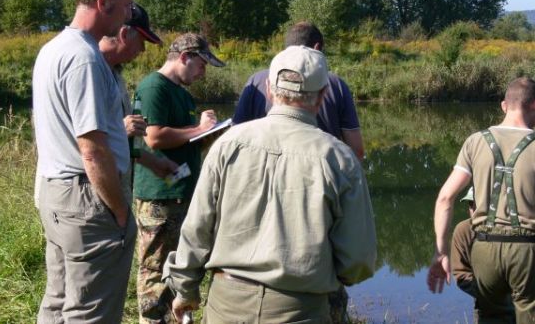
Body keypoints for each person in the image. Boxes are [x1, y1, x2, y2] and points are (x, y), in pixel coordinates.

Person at [164, 45, 377, 323]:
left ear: (268, 89)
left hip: (226, 304)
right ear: (323, 95)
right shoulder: (339, 159)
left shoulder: (227, 144)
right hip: (301, 309)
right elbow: (358, 260)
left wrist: (185, 290)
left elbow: (197, 227)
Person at [32, 0, 137, 322]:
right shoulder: (85, 59)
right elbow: (92, 150)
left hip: (55, 191)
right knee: (91, 311)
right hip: (86, 199)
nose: (128, 15)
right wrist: (119, 211)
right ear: (102, 3)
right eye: (126, 6)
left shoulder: (52, 50)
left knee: (58, 301)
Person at [133, 32, 226, 324]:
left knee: (179, 267)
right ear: (185, 57)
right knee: (154, 269)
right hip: (159, 198)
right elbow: (154, 137)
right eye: (201, 64)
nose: (203, 72)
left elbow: (186, 142)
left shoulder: (183, 95)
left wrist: (214, 134)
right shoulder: (153, 87)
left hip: (183, 193)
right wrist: (199, 129)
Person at [428, 77, 535, 323]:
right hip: (527, 251)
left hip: (484, 248)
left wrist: (441, 252)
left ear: (504, 105)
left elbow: (445, 198)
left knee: (489, 317)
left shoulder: (475, 141)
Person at [233, 21, 364, 160]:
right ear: (317, 48)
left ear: (268, 88)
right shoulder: (336, 84)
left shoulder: (256, 80)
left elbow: (236, 135)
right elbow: (356, 151)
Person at [98, 4, 179, 201]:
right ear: (124, 34)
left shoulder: (115, 73)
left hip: (113, 192)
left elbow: (118, 141)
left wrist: (153, 163)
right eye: (142, 41)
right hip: (92, 194)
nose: (143, 50)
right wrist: (122, 128)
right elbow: (82, 140)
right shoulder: (87, 69)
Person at [451, 187, 515, 322]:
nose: (473, 209)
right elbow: (460, 274)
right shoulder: (462, 231)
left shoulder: (510, 227)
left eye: (478, 204)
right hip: (485, 303)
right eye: (470, 204)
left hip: (517, 300)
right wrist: (487, 290)